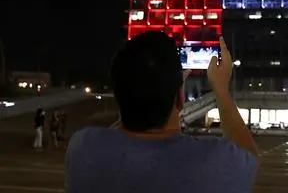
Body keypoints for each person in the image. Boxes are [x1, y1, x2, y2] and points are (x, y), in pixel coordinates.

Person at [65, 33, 258, 193]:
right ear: (180, 98)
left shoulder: (83, 148)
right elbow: (250, 156)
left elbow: (122, 126)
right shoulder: (215, 162)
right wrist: (221, 90)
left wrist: (148, 87)